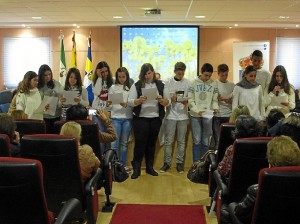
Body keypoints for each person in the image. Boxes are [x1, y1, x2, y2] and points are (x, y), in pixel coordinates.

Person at [229, 135, 300, 224]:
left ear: (270, 163)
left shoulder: (257, 190)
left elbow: (239, 214)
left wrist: (231, 206)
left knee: (229, 208)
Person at [128, 63, 169, 179]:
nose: (148, 76)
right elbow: (130, 101)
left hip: (155, 118)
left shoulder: (161, 85)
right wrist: (138, 101)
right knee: (140, 144)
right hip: (140, 119)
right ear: (142, 74)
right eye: (145, 74)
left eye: (149, 73)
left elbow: (168, 102)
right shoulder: (137, 85)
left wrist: (161, 100)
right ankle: (136, 169)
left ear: (153, 72)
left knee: (151, 144)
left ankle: (149, 167)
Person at [159, 62, 190, 173]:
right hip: (171, 115)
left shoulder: (187, 82)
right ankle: (166, 163)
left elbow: (190, 98)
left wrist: (187, 101)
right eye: (178, 73)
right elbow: (165, 99)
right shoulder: (168, 82)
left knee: (181, 141)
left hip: (183, 116)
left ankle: (179, 163)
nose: (180, 76)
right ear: (175, 72)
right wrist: (170, 98)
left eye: (182, 74)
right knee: (169, 141)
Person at [188, 63, 219, 162]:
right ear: (201, 72)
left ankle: (205, 163)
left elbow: (215, 99)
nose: (208, 77)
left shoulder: (213, 83)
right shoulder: (193, 83)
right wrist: (197, 111)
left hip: (208, 115)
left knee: (206, 140)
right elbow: (190, 100)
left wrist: (215, 107)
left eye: (209, 76)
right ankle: (196, 163)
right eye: (206, 75)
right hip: (195, 115)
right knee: (197, 140)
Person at [107, 67, 133, 172]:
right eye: (119, 77)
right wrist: (108, 103)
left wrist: (127, 104)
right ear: (117, 77)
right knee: (114, 143)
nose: (121, 79)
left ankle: (122, 165)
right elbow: (109, 104)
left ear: (127, 77)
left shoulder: (130, 88)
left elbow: (133, 104)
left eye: (123, 77)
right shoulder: (113, 87)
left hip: (127, 118)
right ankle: (114, 165)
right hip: (116, 118)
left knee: (124, 143)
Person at [91, 61, 114, 150]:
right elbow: (97, 92)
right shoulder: (95, 82)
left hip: (107, 111)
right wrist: (99, 78)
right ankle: (102, 158)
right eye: (102, 72)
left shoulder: (112, 81)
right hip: (96, 111)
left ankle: (108, 157)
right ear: (98, 72)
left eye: (106, 71)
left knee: (108, 135)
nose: (105, 74)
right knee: (100, 135)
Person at [213, 64, 235, 149]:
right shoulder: (214, 83)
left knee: (229, 140)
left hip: (229, 114)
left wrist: (231, 100)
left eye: (226, 75)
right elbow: (209, 99)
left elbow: (235, 98)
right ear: (218, 73)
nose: (224, 77)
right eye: (222, 75)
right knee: (218, 139)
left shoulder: (232, 85)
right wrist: (215, 98)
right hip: (218, 115)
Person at [37, 64, 63, 133]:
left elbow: (61, 99)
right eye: (45, 75)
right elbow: (36, 102)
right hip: (43, 116)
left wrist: (60, 103)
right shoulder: (38, 86)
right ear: (41, 76)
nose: (48, 77)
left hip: (56, 114)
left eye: (49, 74)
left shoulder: (57, 84)